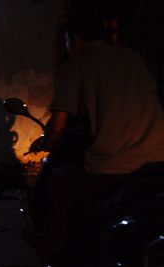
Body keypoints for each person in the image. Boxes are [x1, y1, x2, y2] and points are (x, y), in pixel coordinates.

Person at [30, 14, 164, 260]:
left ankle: (53, 246)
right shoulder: (133, 58)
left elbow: (58, 126)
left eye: (67, 41)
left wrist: (46, 143)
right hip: (157, 162)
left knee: (59, 179)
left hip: (115, 167)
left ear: (76, 39)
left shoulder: (78, 64)